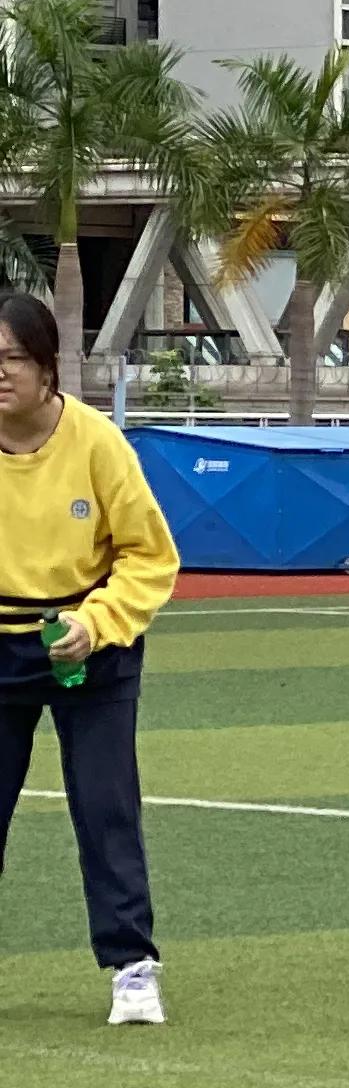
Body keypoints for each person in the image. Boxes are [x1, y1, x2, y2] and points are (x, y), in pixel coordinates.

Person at [0, 288, 178, 1023]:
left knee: (106, 809)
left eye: (12, 358)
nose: (0, 373)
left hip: (89, 648)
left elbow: (150, 556)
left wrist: (97, 622)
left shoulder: (98, 443)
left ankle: (132, 966)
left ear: (48, 367)